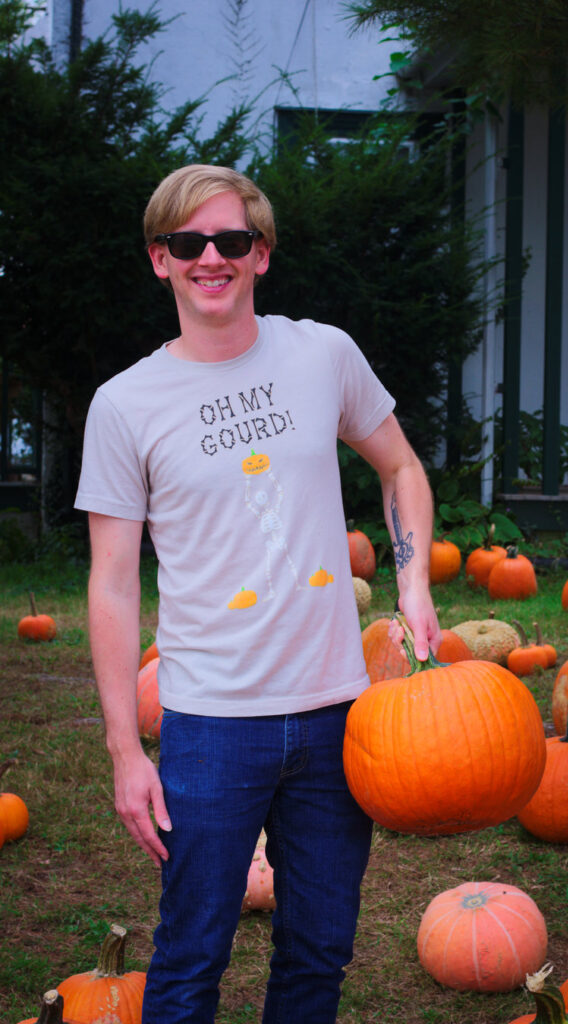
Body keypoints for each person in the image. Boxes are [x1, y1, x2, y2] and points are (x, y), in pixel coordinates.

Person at [75, 163, 440, 1024]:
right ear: (159, 259)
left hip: (337, 715)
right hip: (207, 725)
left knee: (317, 953)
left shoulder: (322, 354)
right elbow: (114, 585)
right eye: (188, 243)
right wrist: (128, 752)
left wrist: (412, 575)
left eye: (231, 240)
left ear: (261, 255)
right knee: (189, 958)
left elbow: (399, 465)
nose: (212, 257)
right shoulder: (124, 404)